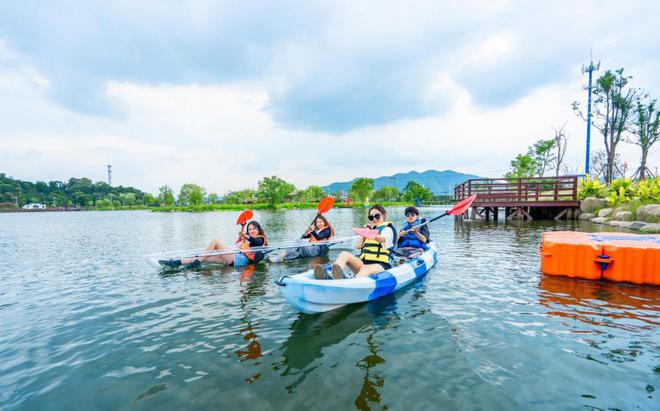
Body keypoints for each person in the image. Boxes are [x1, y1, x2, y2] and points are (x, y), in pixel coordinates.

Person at [314, 204, 396, 279]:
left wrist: (369, 233)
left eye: (377, 216)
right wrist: (363, 233)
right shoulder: (370, 230)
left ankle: (351, 282)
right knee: (344, 254)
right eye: (371, 217)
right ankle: (331, 276)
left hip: (381, 265)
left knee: (365, 268)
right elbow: (358, 246)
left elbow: (382, 239)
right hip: (364, 263)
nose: (374, 219)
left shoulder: (387, 229)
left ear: (384, 215)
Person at [159, 221, 268, 269]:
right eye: (250, 229)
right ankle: (175, 263)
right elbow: (240, 246)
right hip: (233, 259)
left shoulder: (260, 240)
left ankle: (196, 263)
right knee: (204, 256)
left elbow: (256, 242)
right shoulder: (248, 239)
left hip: (238, 260)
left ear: (258, 229)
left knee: (215, 241)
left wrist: (246, 236)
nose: (251, 230)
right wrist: (243, 238)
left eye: (254, 228)